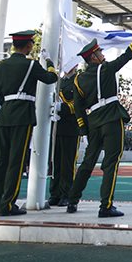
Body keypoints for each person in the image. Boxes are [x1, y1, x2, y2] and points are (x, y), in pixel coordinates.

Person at [67, 18, 132, 217]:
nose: (103, 55)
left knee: (87, 163)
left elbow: (79, 109)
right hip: (111, 118)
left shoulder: (79, 80)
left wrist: (84, 130)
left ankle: (72, 201)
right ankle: (105, 206)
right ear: (93, 57)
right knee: (110, 163)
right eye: (100, 53)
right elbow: (128, 55)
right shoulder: (106, 69)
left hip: (93, 123)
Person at [0, 30, 58, 216]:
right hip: (22, 115)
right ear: (28, 45)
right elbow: (51, 78)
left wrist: (9, 106)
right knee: (16, 161)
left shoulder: (0, 65)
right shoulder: (31, 64)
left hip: (5, 114)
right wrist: (50, 62)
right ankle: (7, 204)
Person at [48, 66, 80, 207]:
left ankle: (67, 194)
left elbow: (80, 103)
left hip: (71, 126)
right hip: (56, 126)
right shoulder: (58, 82)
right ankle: (55, 193)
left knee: (68, 163)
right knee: (55, 161)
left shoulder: (78, 80)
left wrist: (63, 108)